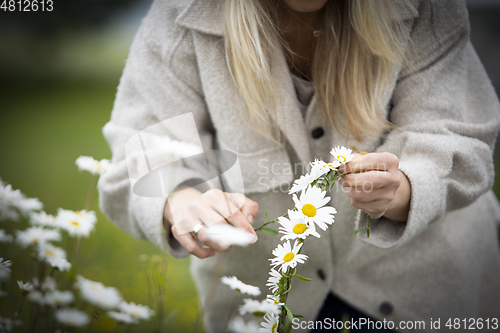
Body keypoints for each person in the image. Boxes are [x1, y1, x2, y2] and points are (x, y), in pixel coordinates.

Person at [98, 0, 500, 332]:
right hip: (266, 305)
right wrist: (182, 199)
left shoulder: (427, 9)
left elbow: (456, 138)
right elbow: (145, 153)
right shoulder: (178, 18)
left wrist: (405, 188)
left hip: (427, 297)